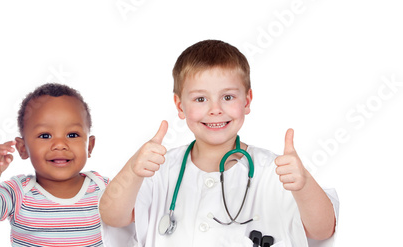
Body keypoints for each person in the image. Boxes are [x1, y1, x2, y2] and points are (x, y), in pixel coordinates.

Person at [99, 40, 339, 246]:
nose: (215, 110)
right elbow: (113, 217)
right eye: (200, 98)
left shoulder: (275, 172)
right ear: (180, 106)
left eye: (228, 97)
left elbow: (322, 230)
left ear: (247, 101)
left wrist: (304, 185)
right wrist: (132, 170)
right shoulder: (158, 170)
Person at [0, 83, 108, 247]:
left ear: (89, 146)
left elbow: (135, 218)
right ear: (22, 148)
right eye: (45, 135)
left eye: (72, 134)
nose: (59, 144)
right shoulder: (18, 193)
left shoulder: (102, 188)